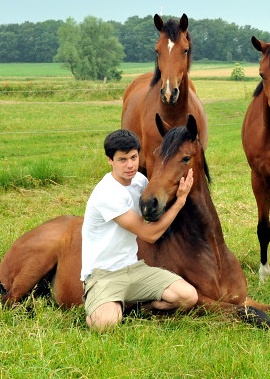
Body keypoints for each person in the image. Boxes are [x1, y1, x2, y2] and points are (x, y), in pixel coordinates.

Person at [80, 129, 198, 333]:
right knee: (106, 325)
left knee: (188, 297)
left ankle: (143, 308)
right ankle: (99, 310)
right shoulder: (107, 193)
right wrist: (180, 201)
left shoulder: (140, 182)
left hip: (133, 269)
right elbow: (149, 234)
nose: (130, 165)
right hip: (103, 275)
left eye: (134, 157)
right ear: (110, 160)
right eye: (122, 159)